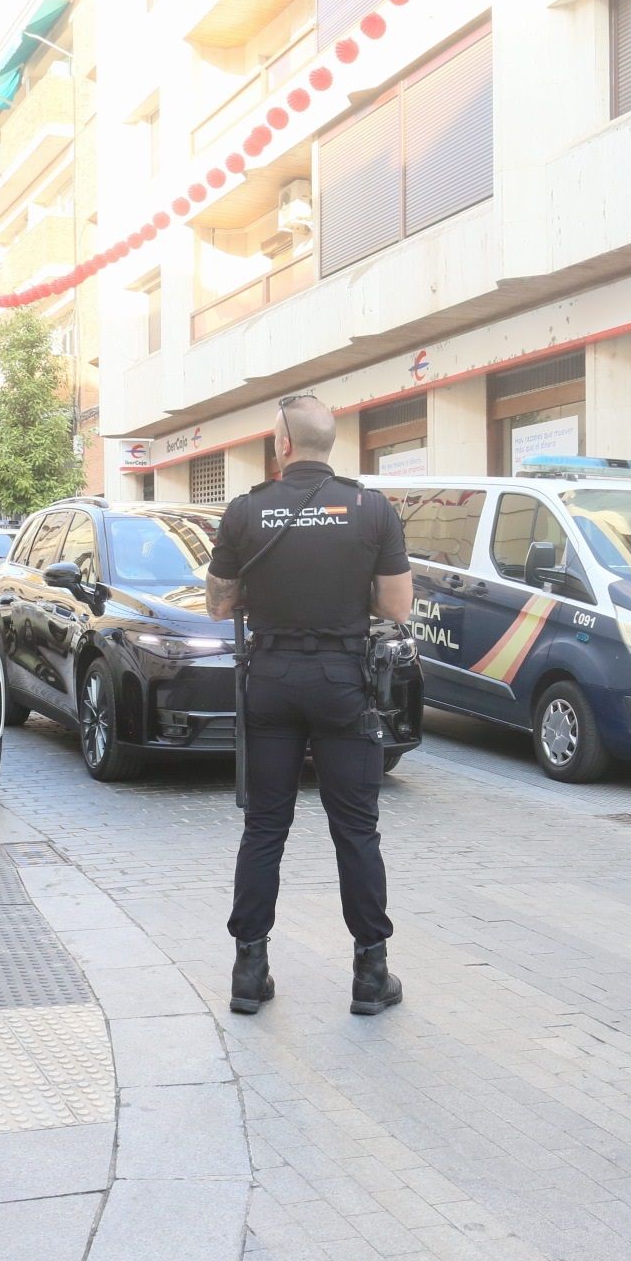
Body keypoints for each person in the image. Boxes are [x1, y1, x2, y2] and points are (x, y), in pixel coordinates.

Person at [206, 394, 414, 1017]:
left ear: (284, 444)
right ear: (330, 443)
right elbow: (397, 606)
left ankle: (249, 971)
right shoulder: (371, 508)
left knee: (264, 826)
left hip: (270, 679)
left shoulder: (246, 510)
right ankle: (370, 973)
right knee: (356, 829)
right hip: (342, 681)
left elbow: (218, 605)